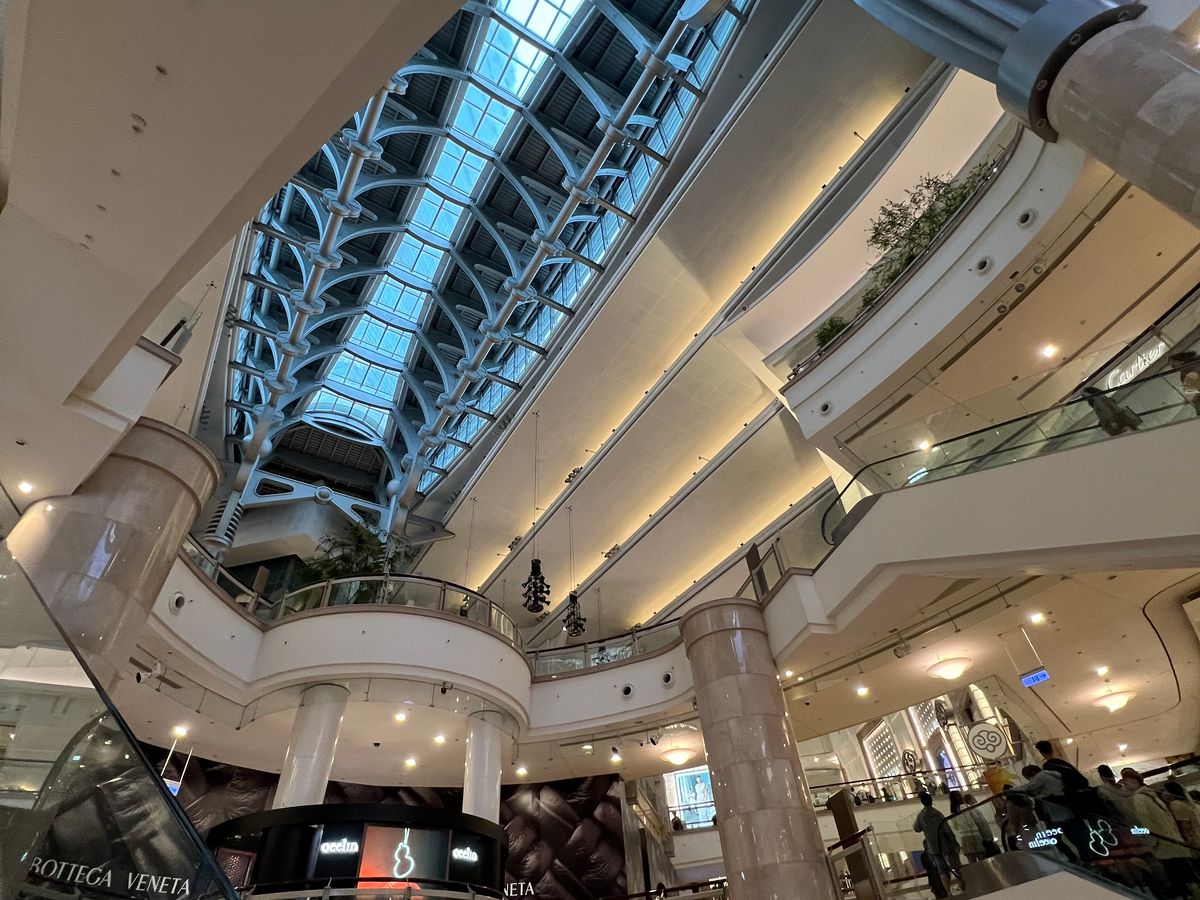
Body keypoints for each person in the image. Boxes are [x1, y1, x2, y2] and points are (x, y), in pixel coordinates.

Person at [913, 791, 958, 898]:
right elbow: (946, 828)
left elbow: (916, 828)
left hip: (933, 847)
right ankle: (962, 883)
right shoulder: (937, 813)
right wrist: (953, 841)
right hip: (945, 843)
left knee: (942, 870)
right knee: (954, 864)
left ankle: (948, 892)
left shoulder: (921, 816)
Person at [1162, 781, 1200, 848]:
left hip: (1194, 841)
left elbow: (1185, 825)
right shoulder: (1183, 803)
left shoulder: (1175, 804)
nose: (1162, 793)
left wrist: (1188, 841)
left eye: (1165, 790)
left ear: (1172, 792)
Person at [1168, 350, 1200, 416]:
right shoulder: (1183, 374)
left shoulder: (1193, 364)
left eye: (1173, 362)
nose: (1172, 366)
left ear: (1179, 359)